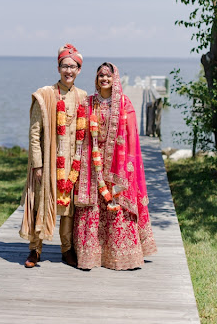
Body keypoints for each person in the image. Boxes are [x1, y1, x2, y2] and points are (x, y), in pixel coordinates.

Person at [73, 62, 157, 270]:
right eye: (101, 76)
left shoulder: (125, 104)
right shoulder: (88, 103)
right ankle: (90, 255)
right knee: (93, 207)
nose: (104, 79)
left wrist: (126, 166)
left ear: (115, 79)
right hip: (92, 163)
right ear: (96, 79)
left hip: (117, 164)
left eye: (108, 76)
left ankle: (121, 255)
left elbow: (131, 138)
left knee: (116, 204)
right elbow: (80, 133)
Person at [20, 43, 88, 268]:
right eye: (64, 66)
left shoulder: (83, 97)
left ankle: (67, 250)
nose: (69, 71)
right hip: (49, 163)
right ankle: (34, 250)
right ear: (58, 68)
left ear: (79, 70)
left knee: (69, 209)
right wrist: (38, 165)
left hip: (72, 162)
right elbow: (34, 133)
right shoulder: (45, 95)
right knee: (41, 203)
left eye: (73, 67)